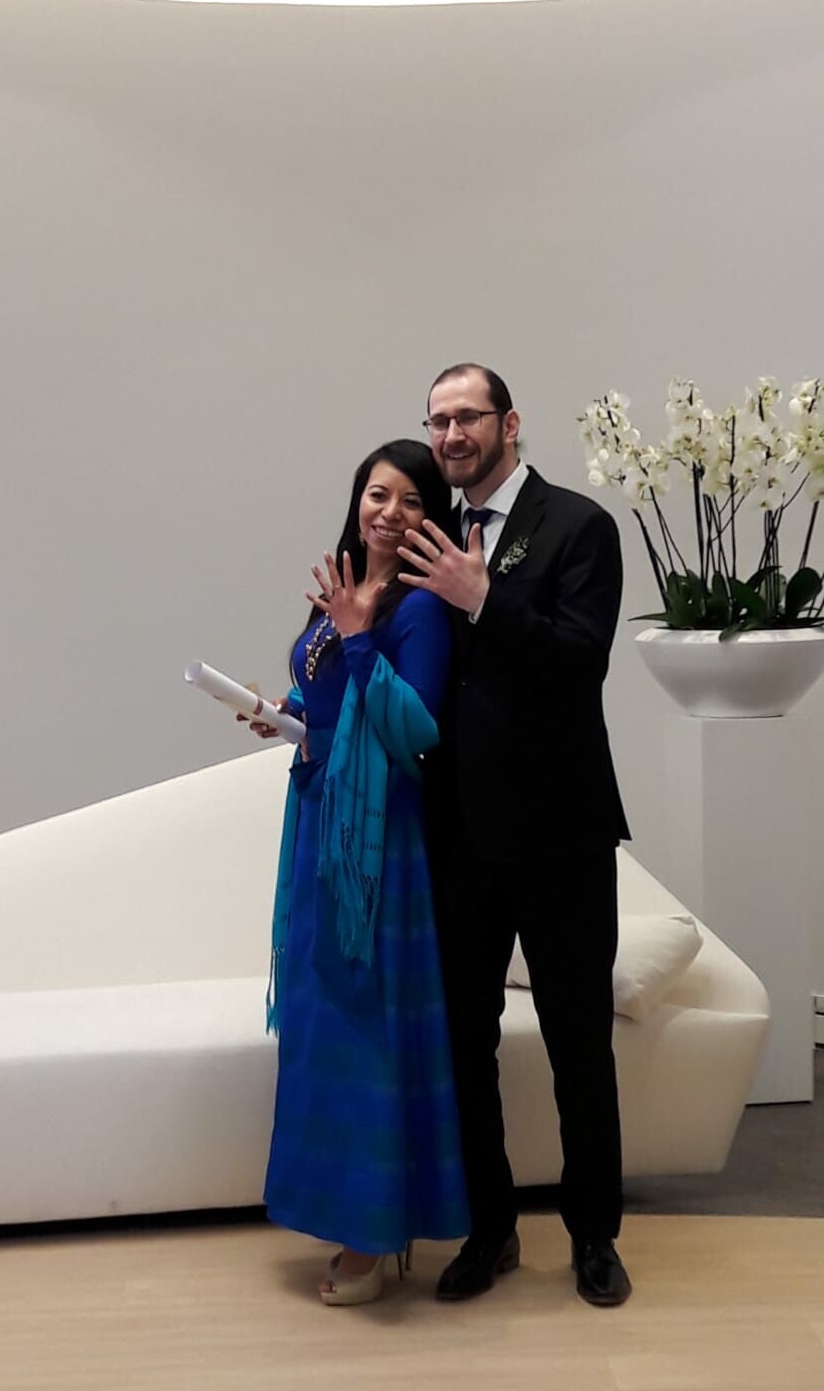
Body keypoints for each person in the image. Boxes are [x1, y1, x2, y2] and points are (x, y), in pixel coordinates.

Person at [397, 364, 633, 1307]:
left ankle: (594, 1237)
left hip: (560, 832)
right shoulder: (430, 534)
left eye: (469, 417)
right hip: (458, 837)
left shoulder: (578, 525)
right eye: (438, 420)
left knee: (579, 1042)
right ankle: (490, 1229)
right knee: (464, 1044)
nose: (452, 434)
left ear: (509, 423)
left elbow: (581, 661)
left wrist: (485, 599)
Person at [255, 439, 469, 1305]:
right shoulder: (343, 590)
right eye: (378, 494)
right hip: (320, 821)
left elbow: (416, 730)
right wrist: (284, 712)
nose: (390, 512)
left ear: (430, 519)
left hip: (379, 842)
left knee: (364, 1027)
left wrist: (355, 636)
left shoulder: (420, 610)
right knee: (320, 1022)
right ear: (358, 502)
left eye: (412, 500)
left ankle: (371, 1239)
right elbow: (332, 701)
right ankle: (339, 1215)